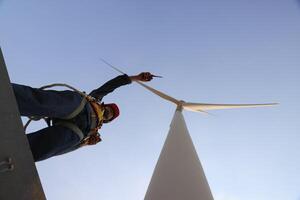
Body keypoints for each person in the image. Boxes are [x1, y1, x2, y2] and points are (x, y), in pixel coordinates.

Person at [12, 72, 154, 162]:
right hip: (78, 105)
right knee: (42, 103)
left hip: (76, 130)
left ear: (108, 121)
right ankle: (9, 95)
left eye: (110, 115)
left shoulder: (95, 131)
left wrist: (85, 144)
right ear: (105, 105)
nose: (107, 113)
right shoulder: (95, 99)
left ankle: (14, 154)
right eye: (108, 109)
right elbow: (112, 85)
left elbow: (69, 148)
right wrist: (136, 78)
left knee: (48, 146)